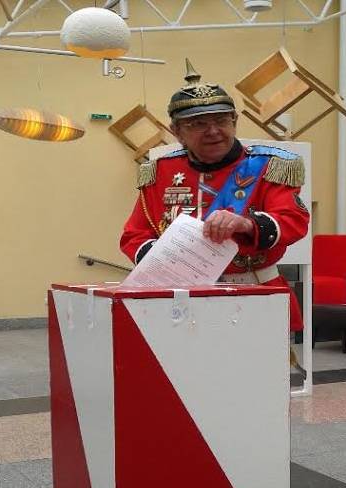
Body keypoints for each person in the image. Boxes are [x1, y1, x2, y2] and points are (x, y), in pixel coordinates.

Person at [120, 60, 310, 332]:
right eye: (198, 124)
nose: (213, 131)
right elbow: (134, 236)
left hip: (254, 296)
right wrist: (162, 262)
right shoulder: (161, 171)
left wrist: (247, 224)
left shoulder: (269, 165)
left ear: (234, 122)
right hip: (179, 303)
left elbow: (293, 220)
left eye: (221, 120)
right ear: (177, 132)